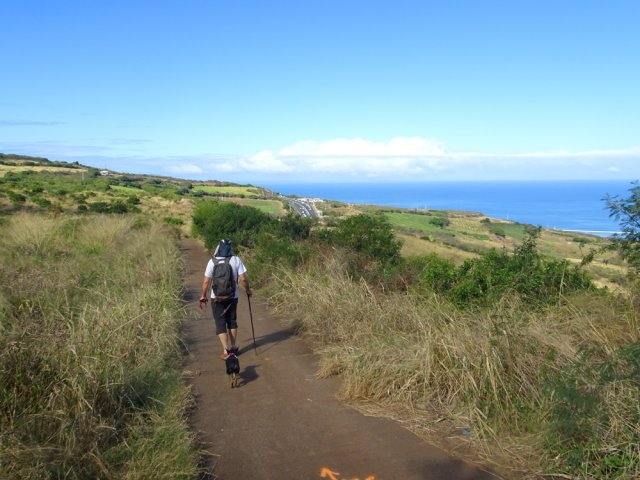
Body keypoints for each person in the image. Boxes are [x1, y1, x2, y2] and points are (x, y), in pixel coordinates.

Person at [199, 239, 252, 360]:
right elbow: (243, 279)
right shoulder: (236, 260)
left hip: (216, 298)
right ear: (230, 248)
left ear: (219, 248)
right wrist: (248, 290)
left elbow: (206, 281)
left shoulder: (212, 261)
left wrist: (203, 295)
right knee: (232, 321)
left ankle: (226, 351)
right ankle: (233, 348)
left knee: (220, 323)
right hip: (232, 297)